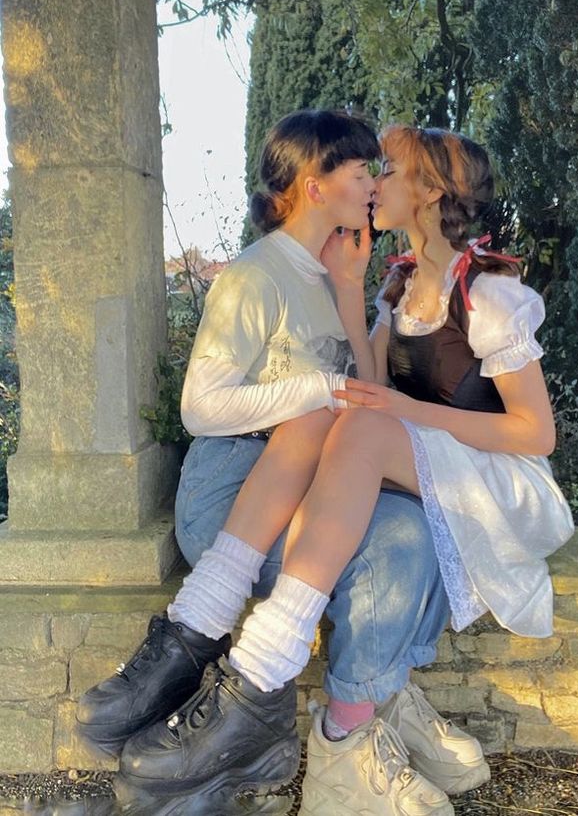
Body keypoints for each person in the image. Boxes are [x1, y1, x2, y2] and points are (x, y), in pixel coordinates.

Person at [76, 110, 465, 815]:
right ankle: (342, 748)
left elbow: (369, 396)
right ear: (315, 187)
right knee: (396, 550)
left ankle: (377, 698)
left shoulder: (335, 273)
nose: (376, 183)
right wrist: (318, 389)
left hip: (316, 483)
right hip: (237, 490)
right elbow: (201, 408)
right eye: (360, 171)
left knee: (427, 528)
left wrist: (354, 295)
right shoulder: (256, 276)